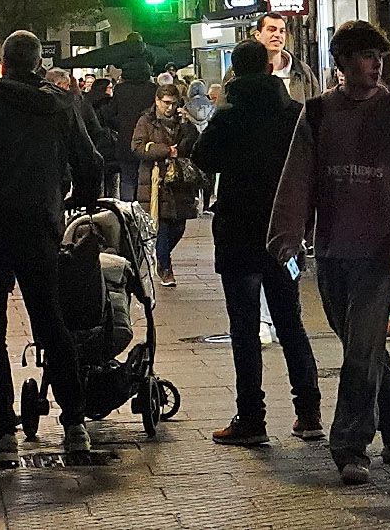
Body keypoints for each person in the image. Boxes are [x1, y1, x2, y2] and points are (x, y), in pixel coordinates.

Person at [270, 19, 390, 486]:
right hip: (332, 250)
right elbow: (298, 176)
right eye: (366, 56)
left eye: (379, 56)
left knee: (361, 352)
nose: (376, 64)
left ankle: (350, 445)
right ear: (342, 62)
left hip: (380, 249)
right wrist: (286, 235)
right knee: (362, 347)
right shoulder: (318, 113)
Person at [0, 30, 106, 466]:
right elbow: (92, 162)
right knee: (52, 325)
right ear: (36, 63)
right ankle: (74, 427)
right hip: (40, 229)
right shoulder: (58, 104)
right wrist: (76, 205)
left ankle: (3, 431)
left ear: (4, 63)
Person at [193, 37, 323, 448]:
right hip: (282, 232)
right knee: (291, 323)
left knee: (244, 328)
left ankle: (252, 417)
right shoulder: (293, 113)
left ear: (234, 71)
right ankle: (309, 412)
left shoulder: (229, 115)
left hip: (237, 234)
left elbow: (202, 157)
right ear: (269, 70)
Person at [133, 80, 202, 286]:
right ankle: (165, 267)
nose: (169, 107)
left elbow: (194, 144)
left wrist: (188, 125)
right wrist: (165, 150)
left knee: (178, 227)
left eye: (173, 103)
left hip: (180, 182)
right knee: (161, 227)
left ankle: (158, 256)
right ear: (157, 101)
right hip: (156, 183)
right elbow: (137, 146)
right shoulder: (146, 121)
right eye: (165, 103)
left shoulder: (183, 122)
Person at [108, 64, 154, 201]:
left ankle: (128, 214)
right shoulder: (153, 89)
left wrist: (121, 126)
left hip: (125, 140)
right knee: (148, 180)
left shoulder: (120, 90)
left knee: (127, 179)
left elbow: (110, 114)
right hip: (148, 141)